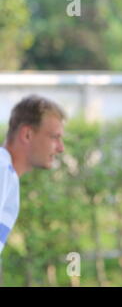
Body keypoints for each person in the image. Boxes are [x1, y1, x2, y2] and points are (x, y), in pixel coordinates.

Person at [0, 95, 65, 254]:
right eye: (54, 137)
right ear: (27, 134)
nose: (61, 148)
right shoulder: (2, 169)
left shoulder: (7, 173)